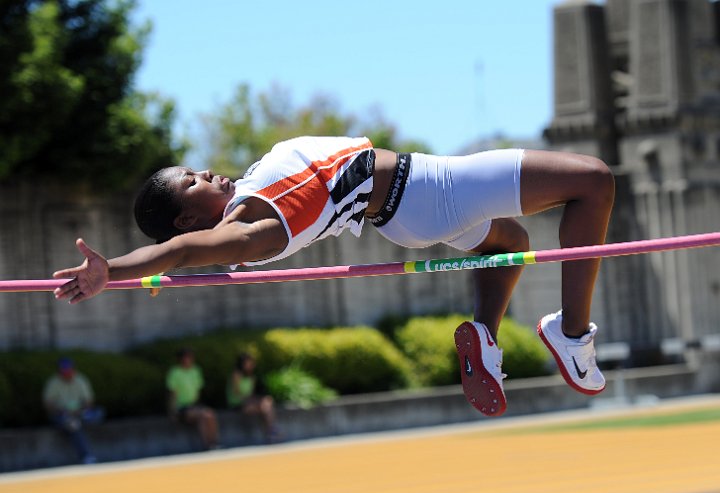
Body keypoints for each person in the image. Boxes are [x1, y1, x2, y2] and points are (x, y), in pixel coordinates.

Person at [53, 136, 615, 417]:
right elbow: (178, 253)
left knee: (510, 244)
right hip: (430, 188)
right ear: (186, 216)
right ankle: (571, 335)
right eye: (193, 181)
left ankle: (485, 339)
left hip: (407, 213)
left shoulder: (247, 198)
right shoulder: (249, 228)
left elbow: (181, 251)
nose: (207, 171)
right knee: (593, 181)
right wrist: (116, 270)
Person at [43, 357, 105, 464]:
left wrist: (81, 410)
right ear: (60, 371)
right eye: (64, 370)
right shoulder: (53, 383)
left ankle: (80, 422)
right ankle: (86, 456)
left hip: (80, 413)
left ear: (73, 369)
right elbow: (48, 404)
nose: (66, 372)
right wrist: (63, 411)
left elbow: (89, 401)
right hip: (61, 415)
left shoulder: (80, 380)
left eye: (68, 369)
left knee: (98, 413)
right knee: (74, 425)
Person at [166, 348, 220, 450]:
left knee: (210, 414)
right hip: (181, 408)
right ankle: (207, 445)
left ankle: (214, 442)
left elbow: (198, 390)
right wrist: (172, 411)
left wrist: (197, 404)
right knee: (202, 416)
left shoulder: (196, 370)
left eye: (190, 357)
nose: (188, 360)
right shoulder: (175, 373)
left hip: (193, 405)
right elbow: (172, 394)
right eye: (185, 357)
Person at [227, 353, 279, 443]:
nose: (251, 365)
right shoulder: (236, 375)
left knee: (267, 402)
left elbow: (250, 394)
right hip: (237, 404)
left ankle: (271, 431)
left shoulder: (252, 377)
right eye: (249, 363)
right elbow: (236, 393)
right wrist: (252, 400)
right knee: (263, 410)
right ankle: (270, 431)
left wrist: (256, 400)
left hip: (248, 402)